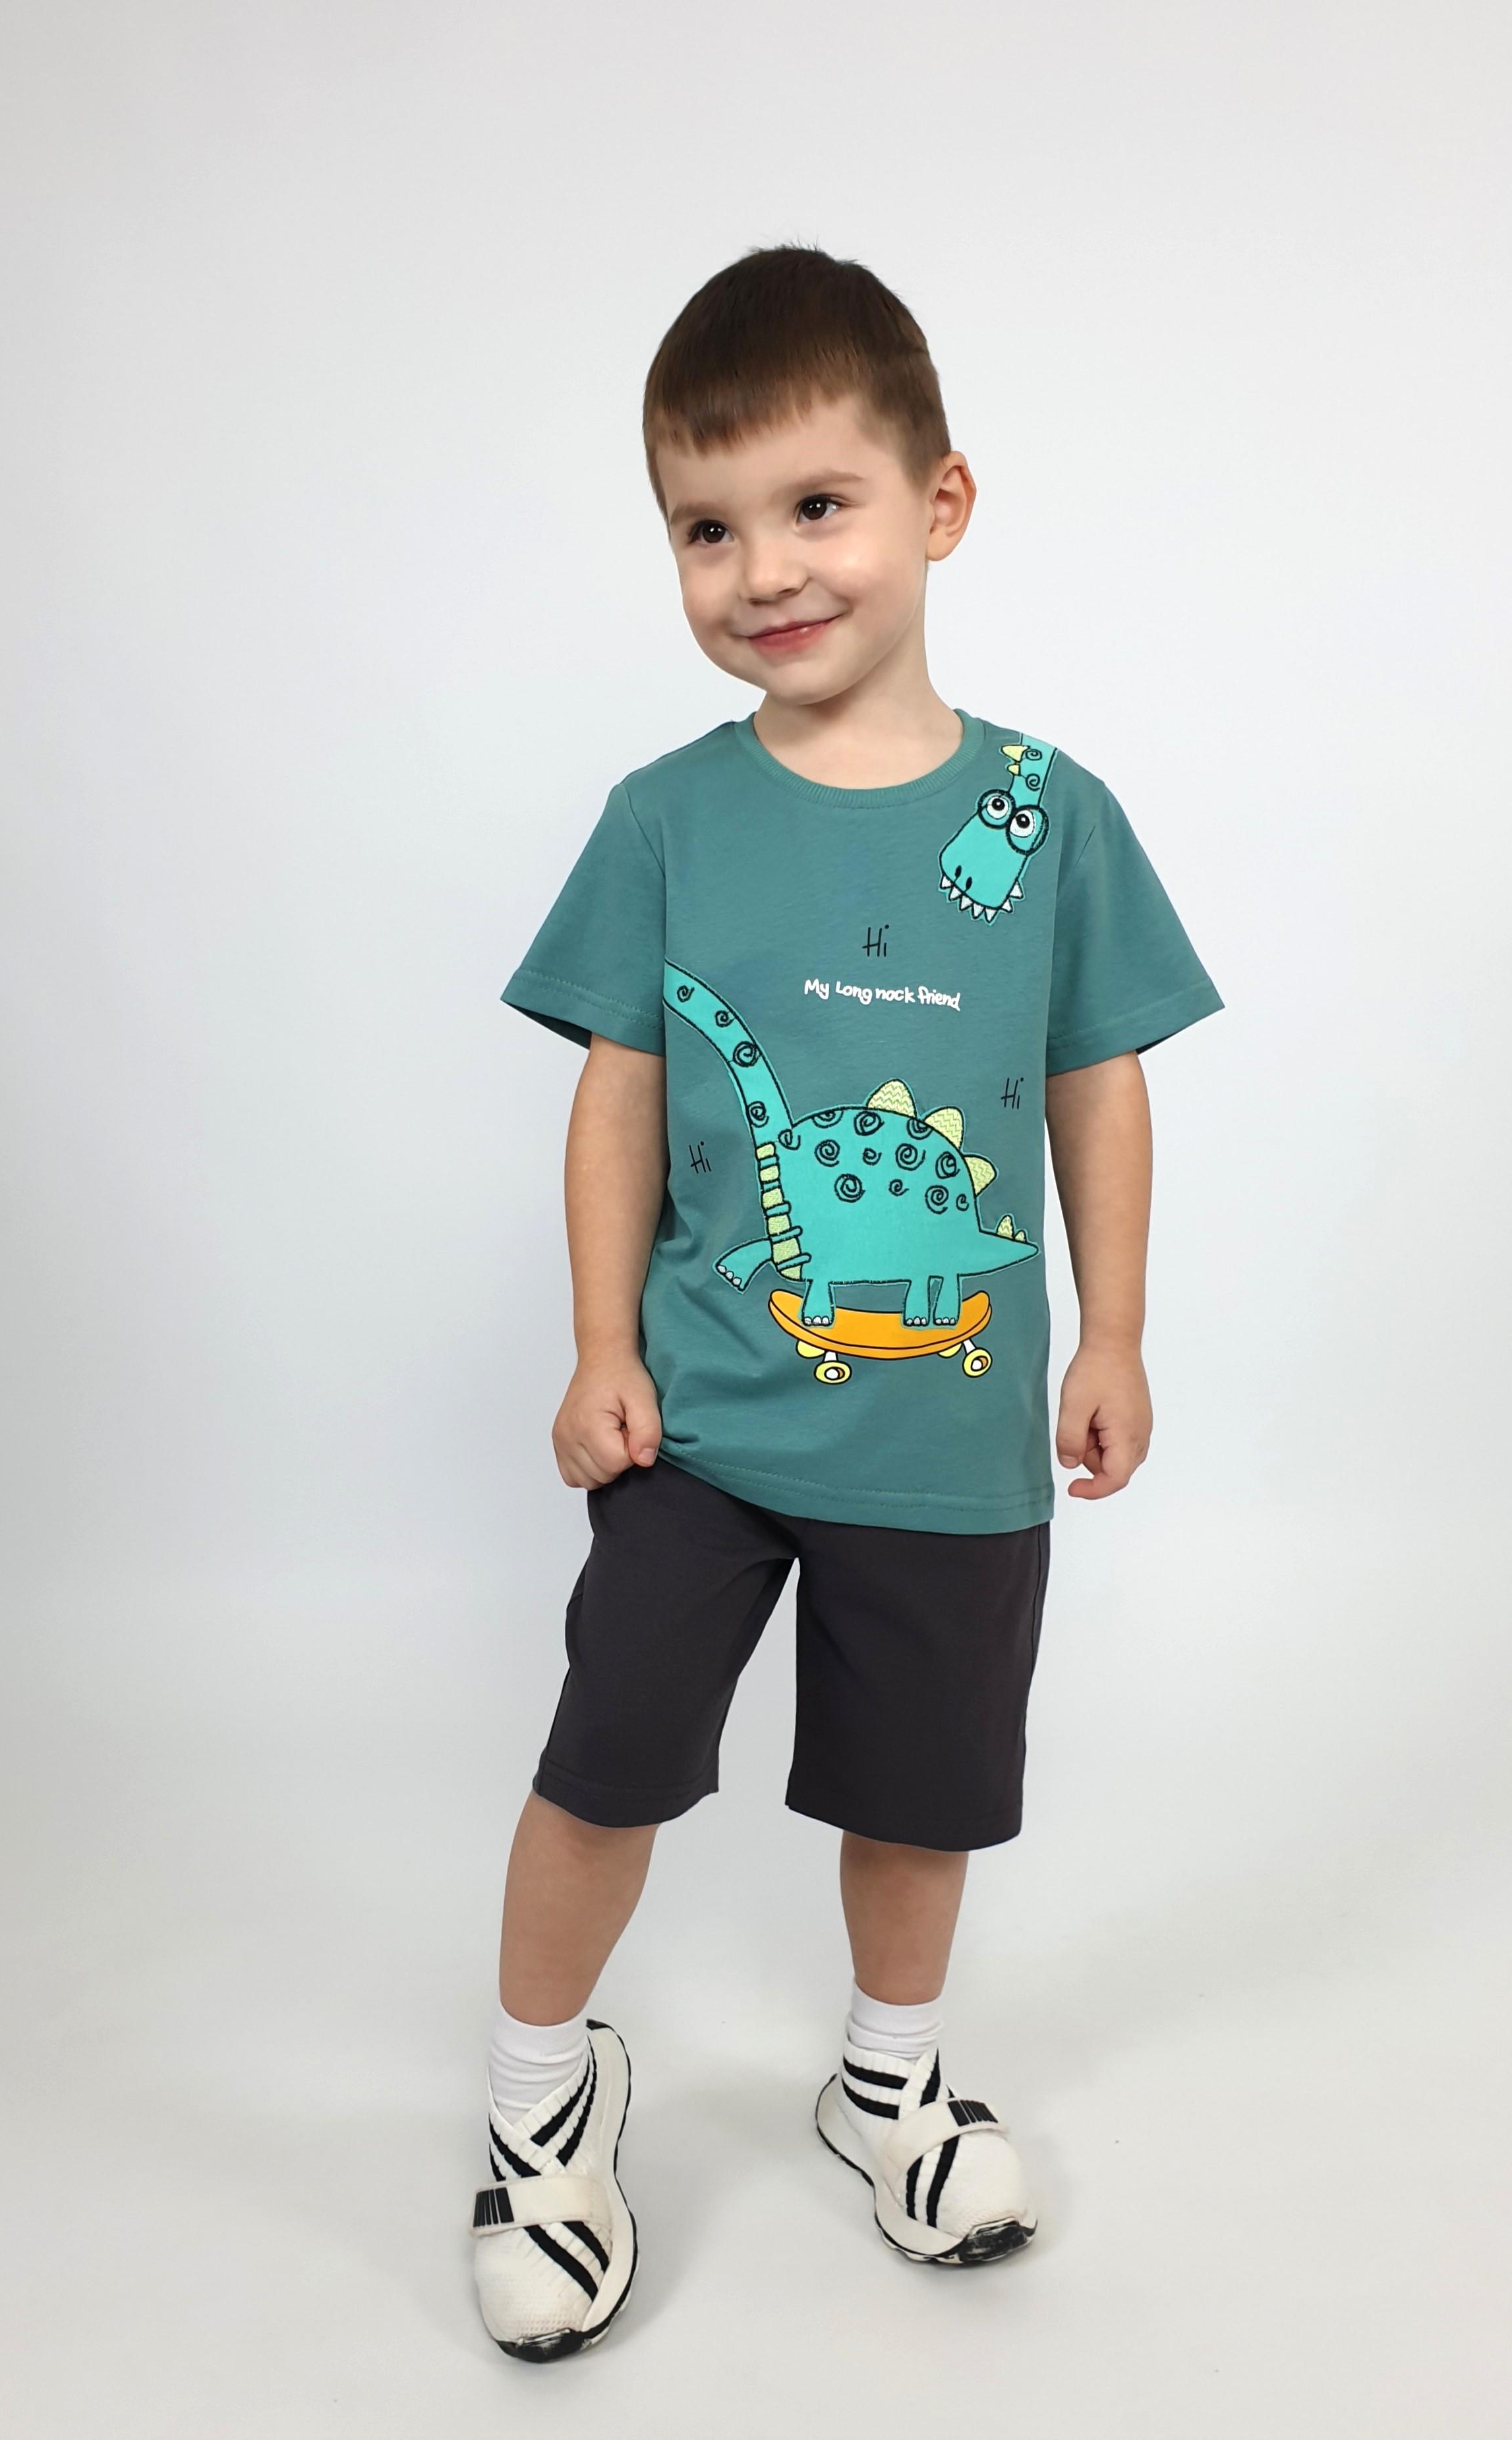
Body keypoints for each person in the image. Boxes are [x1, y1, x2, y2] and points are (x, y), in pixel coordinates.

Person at [469, 245, 1224, 2361]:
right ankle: (540, 2102)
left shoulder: (1047, 815)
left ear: (940, 504)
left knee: (921, 1790)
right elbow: (621, 1097)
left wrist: (1113, 1330)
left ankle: (888, 2076)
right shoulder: (665, 820)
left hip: (947, 1436)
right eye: (705, 528)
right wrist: (602, 1346)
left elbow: (1098, 1077)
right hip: (703, 1420)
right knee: (606, 1761)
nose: (764, 570)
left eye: (817, 505)